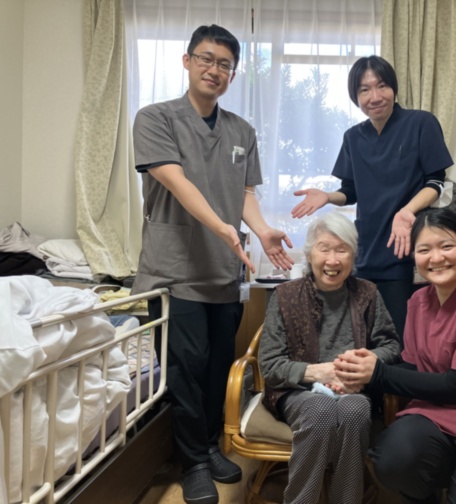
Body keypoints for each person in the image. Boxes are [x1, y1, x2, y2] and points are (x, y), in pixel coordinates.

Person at [131, 25, 293, 504]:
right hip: (173, 272)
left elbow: (245, 194)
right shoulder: (155, 118)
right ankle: (193, 464)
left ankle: (207, 447)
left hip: (224, 273)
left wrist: (260, 229)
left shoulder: (242, 131)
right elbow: (177, 181)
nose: (214, 70)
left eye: (224, 64)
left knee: (217, 368)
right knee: (185, 370)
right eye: (206, 59)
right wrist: (222, 227)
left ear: (233, 74)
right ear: (187, 61)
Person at [334, 207, 456, 504]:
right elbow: (414, 367)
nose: (436, 258)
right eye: (424, 250)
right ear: (414, 256)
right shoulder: (418, 301)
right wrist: (360, 374)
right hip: (432, 413)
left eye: (447, 246)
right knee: (393, 459)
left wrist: (377, 373)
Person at [291, 55, 454, 344]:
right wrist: (328, 196)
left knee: (401, 342)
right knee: (363, 340)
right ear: (356, 97)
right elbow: (350, 191)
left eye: (382, 86)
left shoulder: (420, 123)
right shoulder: (353, 137)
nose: (375, 97)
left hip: (405, 251)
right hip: (366, 254)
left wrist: (407, 211)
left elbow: (436, 182)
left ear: (393, 88)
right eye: (364, 90)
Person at [259, 212, 400, 504]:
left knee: (355, 411)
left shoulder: (368, 293)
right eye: (324, 249)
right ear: (310, 254)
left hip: (354, 390)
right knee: (320, 410)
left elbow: (390, 345)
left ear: (353, 255)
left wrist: (360, 368)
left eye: (342, 250)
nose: (333, 260)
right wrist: (319, 372)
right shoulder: (285, 296)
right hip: (296, 391)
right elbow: (270, 366)